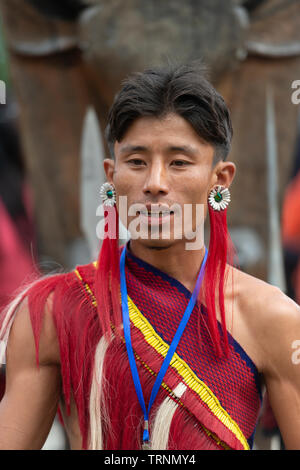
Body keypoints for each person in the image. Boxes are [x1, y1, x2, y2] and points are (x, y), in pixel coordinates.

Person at [0, 62, 300, 451]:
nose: (155, 183)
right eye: (137, 162)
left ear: (220, 179)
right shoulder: (54, 310)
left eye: (179, 162)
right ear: (112, 175)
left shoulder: (273, 319)